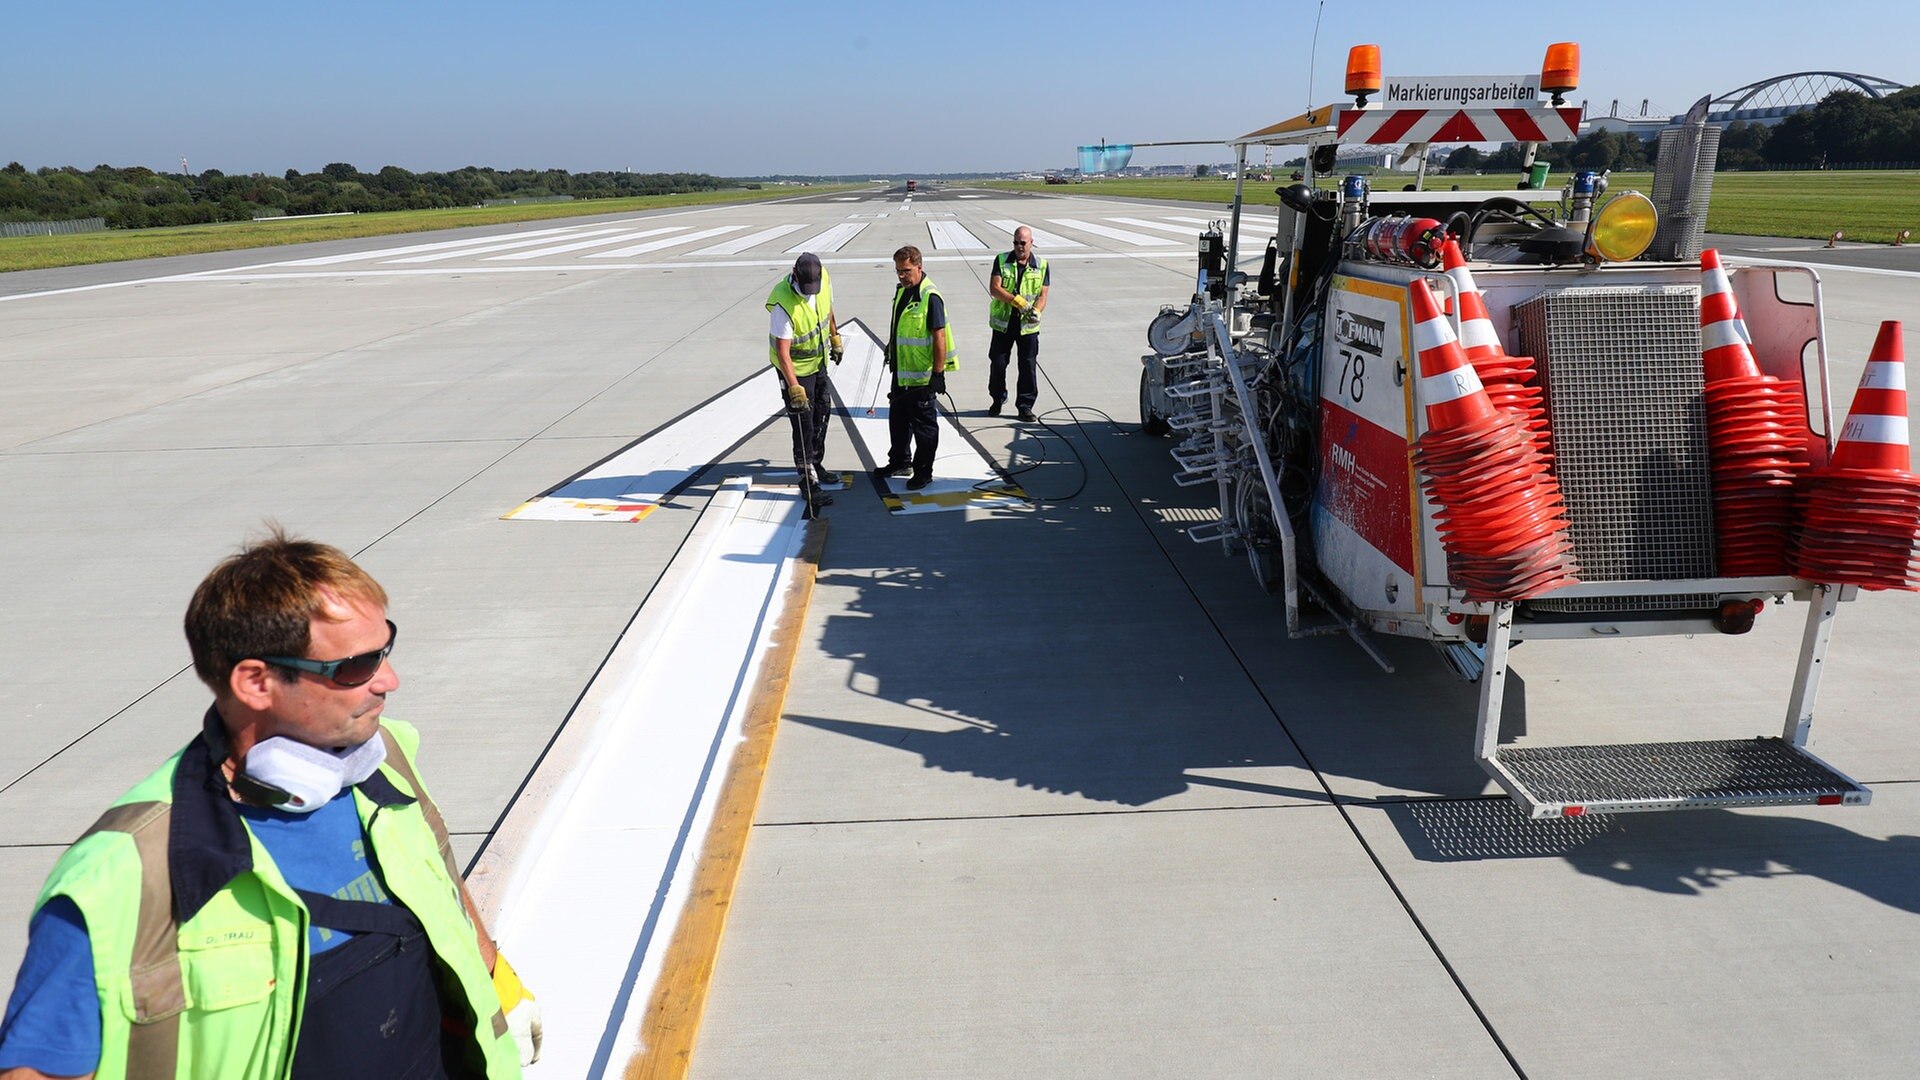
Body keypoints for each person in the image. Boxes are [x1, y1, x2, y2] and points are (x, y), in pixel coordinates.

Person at [0, 530, 539, 1079]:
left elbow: (441, 885)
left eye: (386, 649)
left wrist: (495, 977)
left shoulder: (386, 761)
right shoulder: (126, 873)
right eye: (355, 666)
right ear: (256, 682)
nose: (389, 681)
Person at [875, 245, 956, 492]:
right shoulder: (902, 292)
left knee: (924, 428)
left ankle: (923, 472)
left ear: (919, 267)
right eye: (898, 271)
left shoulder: (930, 297)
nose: (901, 275)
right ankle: (900, 462)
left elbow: (939, 337)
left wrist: (938, 373)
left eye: (906, 271)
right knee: (898, 421)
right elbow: (900, 325)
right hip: (901, 373)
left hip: (922, 377)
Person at [767, 252, 844, 506]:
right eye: (805, 286)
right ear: (794, 274)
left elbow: (828, 309)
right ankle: (808, 482)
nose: (809, 291)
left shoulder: (823, 283)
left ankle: (816, 464)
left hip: (818, 361)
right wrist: (794, 388)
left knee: (822, 412)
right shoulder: (783, 303)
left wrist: (835, 337)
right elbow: (782, 352)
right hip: (795, 369)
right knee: (803, 422)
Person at [984, 226, 1049, 422]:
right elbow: (994, 289)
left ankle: (1025, 406)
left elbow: (1043, 295)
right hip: (1004, 324)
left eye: (1023, 243)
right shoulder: (1002, 260)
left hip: (1027, 327)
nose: (1019, 246)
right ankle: (997, 399)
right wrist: (1017, 302)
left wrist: (1036, 311)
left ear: (1031, 242)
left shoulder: (1042, 265)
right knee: (998, 364)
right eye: (1016, 242)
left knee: (1027, 366)